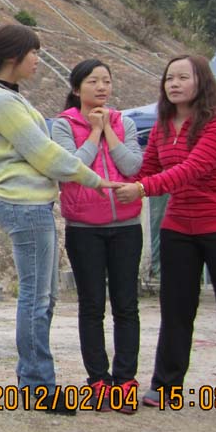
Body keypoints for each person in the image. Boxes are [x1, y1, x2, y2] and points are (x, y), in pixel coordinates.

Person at [114, 55, 216, 425]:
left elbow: (191, 169)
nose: (173, 84)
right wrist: (113, 182)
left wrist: (141, 189)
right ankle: (166, 386)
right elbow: (148, 169)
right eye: (169, 78)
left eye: (182, 77)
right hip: (179, 226)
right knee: (175, 308)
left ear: (201, 81)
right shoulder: (162, 125)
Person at [0, 25, 119, 415]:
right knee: (36, 299)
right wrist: (95, 180)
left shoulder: (9, 96)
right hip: (25, 205)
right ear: (13, 57)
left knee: (43, 297)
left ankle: (33, 379)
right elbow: (44, 153)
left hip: (34, 205)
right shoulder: (0, 100)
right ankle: (39, 386)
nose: (38, 60)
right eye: (33, 52)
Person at [50, 59, 143, 411]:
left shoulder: (125, 122)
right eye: (93, 81)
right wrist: (92, 132)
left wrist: (109, 131)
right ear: (77, 89)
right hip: (84, 228)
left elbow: (132, 166)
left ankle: (125, 381)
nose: (101, 87)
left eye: (106, 81)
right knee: (92, 307)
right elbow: (71, 168)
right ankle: (99, 382)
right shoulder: (63, 124)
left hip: (126, 227)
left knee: (126, 305)